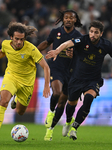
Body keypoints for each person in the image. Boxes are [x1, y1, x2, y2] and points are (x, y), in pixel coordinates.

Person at [46, 20, 112, 140]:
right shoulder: (82, 40)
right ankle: (68, 122)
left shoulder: (106, 45)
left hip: (93, 80)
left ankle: (74, 128)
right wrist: (57, 51)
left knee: (88, 99)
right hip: (76, 79)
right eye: (91, 31)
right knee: (71, 104)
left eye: (96, 32)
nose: (93, 34)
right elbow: (67, 44)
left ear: (101, 33)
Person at [0, 22, 51, 144]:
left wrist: (46, 85)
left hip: (26, 84)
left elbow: (46, 67)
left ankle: (16, 99)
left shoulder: (31, 49)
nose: (19, 42)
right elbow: (2, 51)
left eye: (21, 39)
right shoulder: (6, 44)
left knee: (20, 112)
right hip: (11, 77)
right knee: (3, 101)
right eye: (16, 39)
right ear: (11, 37)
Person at [37, 10, 83, 141]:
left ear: (75, 20)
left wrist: (74, 55)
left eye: (71, 18)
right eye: (66, 17)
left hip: (71, 72)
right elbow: (46, 43)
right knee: (56, 93)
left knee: (62, 103)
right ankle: (50, 113)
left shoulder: (78, 35)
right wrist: (33, 50)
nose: (68, 19)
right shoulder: (55, 32)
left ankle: (52, 129)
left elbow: (81, 54)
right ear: (63, 19)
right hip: (56, 68)